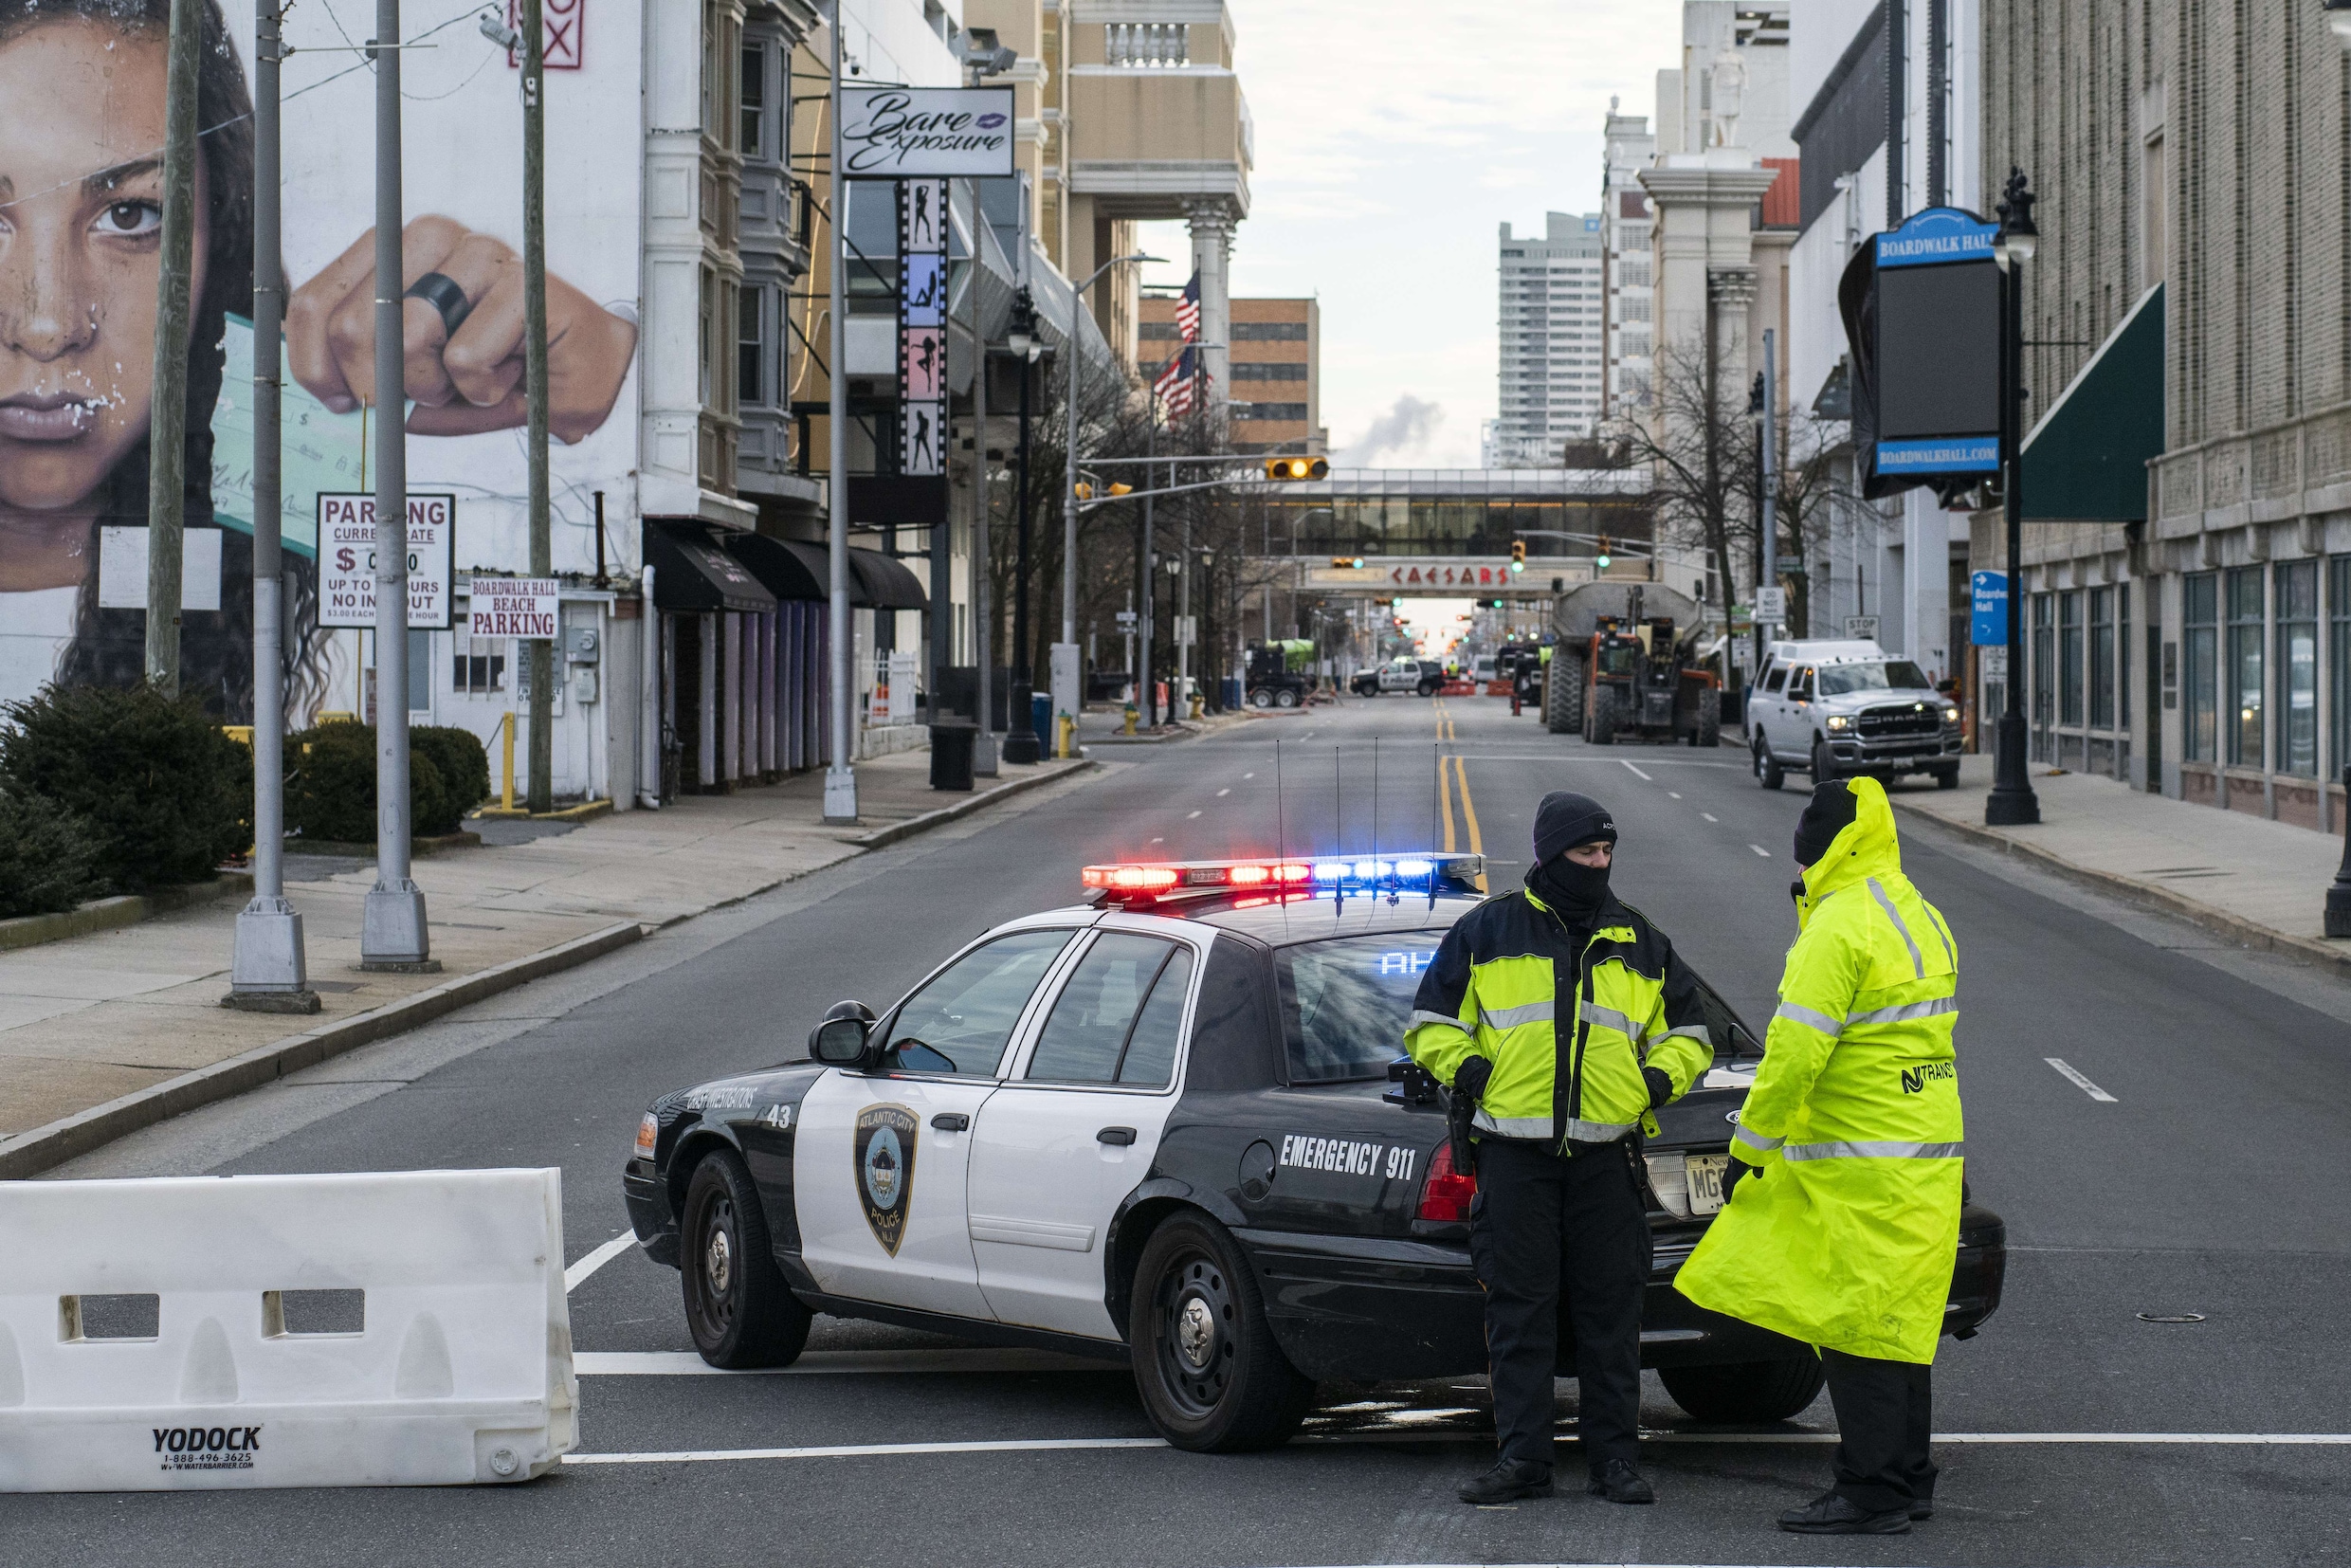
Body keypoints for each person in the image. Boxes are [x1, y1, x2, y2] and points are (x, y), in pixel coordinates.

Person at [1406, 791, 1716, 1506]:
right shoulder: (1487, 930)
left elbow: (1690, 1034)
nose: (1599, 864)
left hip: (1607, 1157)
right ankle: (1524, 1463)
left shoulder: (1639, 939)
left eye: (1607, 853)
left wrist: (1655, 1083)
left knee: (1612, 1314)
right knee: (1519, 1312)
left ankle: (1615, 1462)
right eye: (1586, 852)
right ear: (1551, 855)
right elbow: (1429, 1023)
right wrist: (1473, 1072)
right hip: (1514, 1157)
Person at [1675, 775, 1963, 1536]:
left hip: (1858, 1163)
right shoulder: (1918, 914)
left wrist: (1748, 1148)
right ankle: (1908, 1478)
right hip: (1924, 1152)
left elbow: (1794, 1054)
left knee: (1853, 1329)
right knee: (1901, 1325)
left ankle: (1870, 1492)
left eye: (1803, 851)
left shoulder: (1839, 926)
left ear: (1826, 849)